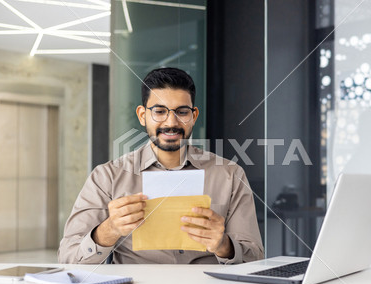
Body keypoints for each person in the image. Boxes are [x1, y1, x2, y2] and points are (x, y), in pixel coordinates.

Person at [58, 67, 264, 264]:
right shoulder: (107, 177)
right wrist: (108, 230)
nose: (171, 122)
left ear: (193, 117)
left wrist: (224, 245)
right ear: (142, 115)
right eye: (159, 111)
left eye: (182, 112)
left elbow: (254, 258)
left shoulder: (230, 175)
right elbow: (69, 258)